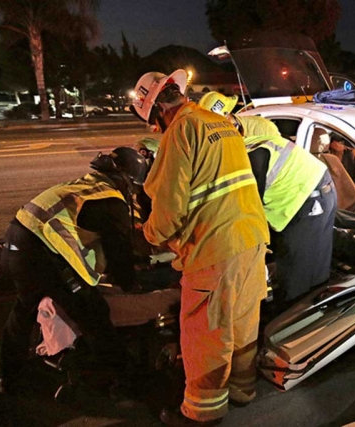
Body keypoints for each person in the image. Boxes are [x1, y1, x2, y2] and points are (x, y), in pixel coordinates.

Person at [130, 71, 269, 425]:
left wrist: (146, 235)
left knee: (206, 334)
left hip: (215, 247)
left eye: (152, 121)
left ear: (160, 107)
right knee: (242, 325)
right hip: (251, 237)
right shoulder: (218, 122)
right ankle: (242, 389)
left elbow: (169, 208)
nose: (156, 129)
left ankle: (201, 414)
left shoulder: (181, 129)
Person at [0, 147, 148, 398]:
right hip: (41, 253)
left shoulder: (85, 185)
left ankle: (8, 377)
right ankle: (124, 378)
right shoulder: (112, 200)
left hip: (14, 243)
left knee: (23, 310)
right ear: (125, 180)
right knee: (92, 312)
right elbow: (119, 252)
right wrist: (130, 283)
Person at [199, 91, 337, 303]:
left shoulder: (250, 148)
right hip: (312, 188)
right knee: (309, 264)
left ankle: (297, 324)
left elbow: (249, 204)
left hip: (306, 196)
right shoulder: (249, 131)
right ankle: (313, 310)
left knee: (297, 273)